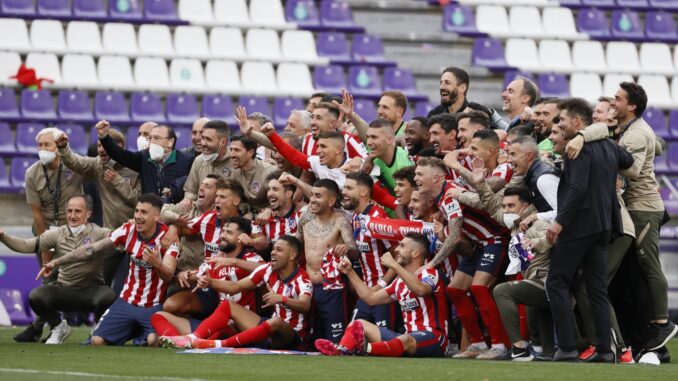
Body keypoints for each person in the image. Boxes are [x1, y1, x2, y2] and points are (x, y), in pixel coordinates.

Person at [567, 82, 677, 353]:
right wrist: (582, 137)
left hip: (643, 207)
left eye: (618, 99)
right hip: (630, 206)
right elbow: (601, 129)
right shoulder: (623, 127)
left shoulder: (637, 134)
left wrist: (603, 156)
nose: (613, 102)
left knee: (648, 262)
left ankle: (662, 323)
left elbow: (635, 170)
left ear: (632, 106)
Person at [545, 98, 634, 362]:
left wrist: (560, 221)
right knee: (597, 288)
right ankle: (605, 350)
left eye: (562, 120)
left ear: (576, 122)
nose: (559, 124)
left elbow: (578, 188)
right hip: (604, 225)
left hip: (578, 225)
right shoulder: (608, 146)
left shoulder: (577, 148)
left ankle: (568, 347)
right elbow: (627, 159)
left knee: (557, 281)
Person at [38, 193, 179, 346]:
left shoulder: (168, 239)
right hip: (127, 301)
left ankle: (142, 332)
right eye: (137, 211)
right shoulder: (128, 230)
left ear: (156, 217)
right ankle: (135, 330)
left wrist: (156, 263)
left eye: (143, 212)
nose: (138, 216)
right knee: (97, 341)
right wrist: (56, 262)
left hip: (153, 305)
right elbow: (92, 249)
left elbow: (169, 275)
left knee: (153, 341)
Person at [415, 157, 511, 360]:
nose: (416, 178)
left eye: (420, 174)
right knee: (455, 290)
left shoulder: (450, 195)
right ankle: (477, 344)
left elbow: (455, 235)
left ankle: (500, 345)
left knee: (478, 288)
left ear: (437, 177)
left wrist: (432, 263)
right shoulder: (442, 196)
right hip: (479, 246)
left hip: (494, 240)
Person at [160, 236, 313, 351]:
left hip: (293, 337)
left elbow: (305, 305)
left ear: (292, 256)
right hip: (268, 333)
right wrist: (211, 282)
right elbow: (236, 286)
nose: (273, 253)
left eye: (279, 250)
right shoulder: (267, 269)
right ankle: (192, 338)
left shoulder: (302, 279)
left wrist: (282, 299)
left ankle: (213, 344)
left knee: (276, 321)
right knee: (228, 306)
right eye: (273, 249)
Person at [1, 194, 116, 344]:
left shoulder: (99, 233)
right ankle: (59, 327)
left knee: (108, 295)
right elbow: (27, 245)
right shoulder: (57, 233)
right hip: (64, 291)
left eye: (77, 211)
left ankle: (97, 327)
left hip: (91, 292)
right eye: (69, 211)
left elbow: (118, 237)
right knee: (36, 296)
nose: (72, 215)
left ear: (88, 213)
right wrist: (3, 237)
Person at [316, 233, 448, 358]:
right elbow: (371, 298)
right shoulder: (399, 282)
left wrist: (394, 265)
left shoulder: (430, 273)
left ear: (415, 253)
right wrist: (350, 272)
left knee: (405, 339)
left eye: (402, 246)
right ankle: (343, 351)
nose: (396, 249)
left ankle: (364, 348)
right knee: (358, 323)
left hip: (434, 337)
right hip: (408, 338)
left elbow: (421, 290)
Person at [150, 217, 264, 337]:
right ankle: (178, 341)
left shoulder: (250, 257)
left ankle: (191, 340)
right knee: (158, 316)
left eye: (229, 232)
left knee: (219, 331)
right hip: (219, 322)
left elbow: (267, 270)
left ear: (241, 238)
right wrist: (184, 274)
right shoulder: (214, 260)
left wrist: (234, 262)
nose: (223, 236)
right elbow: (193, 275)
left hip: (241, 324)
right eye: (223, 231)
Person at [162, 179, 245, 317]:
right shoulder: (208, 219)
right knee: (171, 304)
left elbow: (261, 243)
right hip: (207, 282)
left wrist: (252, 241)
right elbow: (182, 227)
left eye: (222, 197)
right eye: (217, 196)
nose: (217, 200)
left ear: (236, 201)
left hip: (234, 287)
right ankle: (189, 334)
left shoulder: (247, 226)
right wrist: (173, 229)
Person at [297, 179, 358, 343]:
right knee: (312, 340)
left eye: (318, 196)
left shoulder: (341, 222)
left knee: (335, 340)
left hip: (333, 288)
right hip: (308, 289)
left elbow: (355, 252)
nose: (313, 200)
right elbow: (295, 249)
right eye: (311, 195)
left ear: (331, 201)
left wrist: (346, 249)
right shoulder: (305, 220)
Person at [341, 172, 397, 330]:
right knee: (352, 335)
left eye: (349, 188)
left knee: (384, 342)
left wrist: (381, 285)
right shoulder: (356, 217)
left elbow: (398, 256)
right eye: (344, 187)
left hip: (383, 292)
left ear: (364, 192)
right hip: (366, 292)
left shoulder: (378, 218)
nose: (344, 192)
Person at [97, 120, 191, 204]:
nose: (152, 142)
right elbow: (120, 154)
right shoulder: (144, 157)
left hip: (175, 216)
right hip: (150, 216)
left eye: (157, 138)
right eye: (150, 138)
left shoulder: (186, 161)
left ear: (170, 142)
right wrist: (104, 137)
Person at [161, 175, 220, 273]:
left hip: (206, 272)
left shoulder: (219, 215)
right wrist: (177, 220)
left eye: (207, 186)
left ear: (217, 193)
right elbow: (162, 211)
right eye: (201, 185)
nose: (201, 188)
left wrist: (175, 227)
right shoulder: (189, 206)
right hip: (181, 268)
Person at [507, 136, 560, 225]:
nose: (509, 160)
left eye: (513, 154)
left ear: (529, 156)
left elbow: (564, 212)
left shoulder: (543, 178)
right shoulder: (533, 176)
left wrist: (535, 217)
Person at [182, 120, 234, 205]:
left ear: (223, 142)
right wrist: (187, 200)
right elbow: (191, 191)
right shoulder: (199, 160)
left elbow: (244, 200)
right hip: (201, 213)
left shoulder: (236, 163)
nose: (203, 143)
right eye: (203, 138)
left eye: (208, 139)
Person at [248, 171, 301, 252]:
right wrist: (251, 241)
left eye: (275, 189)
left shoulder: (302, 213)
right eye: (268, 189)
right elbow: (262, 245)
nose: (269, 194)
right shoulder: (262, 219)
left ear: (288, 193)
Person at [364, 119, 414, 194]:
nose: (368, 143)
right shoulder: (375, 158)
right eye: (368, 137)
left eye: (374, 137)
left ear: (389, 140)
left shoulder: (404, 165)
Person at [228, 135, 277, 211]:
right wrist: (248, 212)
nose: (232, 154)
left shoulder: (268, 171)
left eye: (237, 150)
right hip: (251, 215)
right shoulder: (233, 172)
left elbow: (282, 199)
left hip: (272, 215)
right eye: (231, 149)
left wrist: (269, 210)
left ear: (250, 152)